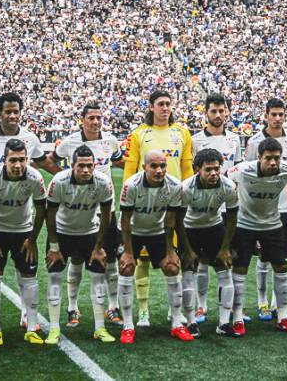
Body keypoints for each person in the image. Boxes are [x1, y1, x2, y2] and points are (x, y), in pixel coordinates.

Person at [0, 92, 59, 334]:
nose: (11, 116)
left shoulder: (29, 138)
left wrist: (64, 175)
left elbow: (43, 162)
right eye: (7, 111)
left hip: (22, 217)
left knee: (25, 270)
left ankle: (26, 316)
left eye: (15, 112)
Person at [122, 90, 193, 328]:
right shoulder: (139, 134)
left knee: (174, 257)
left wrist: (188, 200)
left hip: (172, 203)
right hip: (144, 204)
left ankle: (176, 313)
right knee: (141, 261)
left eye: (168, 104)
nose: (165, 108)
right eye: (160, 104)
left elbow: (187, 168)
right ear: (151, 107)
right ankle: (143, 311)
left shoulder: (182, 132)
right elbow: (130, 169)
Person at [50, 103, 124, 328]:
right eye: (91, 117)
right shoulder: (70, 141)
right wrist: (64, 176)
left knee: (110, 259)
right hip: (78, 210)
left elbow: (120, 160)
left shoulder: (109, 141)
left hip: (105, 210)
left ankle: (113, 306)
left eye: (99, 117)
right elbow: (52, 159)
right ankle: (73, 307)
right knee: (77, 257)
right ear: (82, 119)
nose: (95, 122)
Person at [0, 139, 49, 346]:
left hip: (23, 231)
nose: (18, 165)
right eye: (13, 160)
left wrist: (32, 240)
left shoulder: (35, 177)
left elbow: (42, 208)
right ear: (4, 160)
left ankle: (32, 327)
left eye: (22, 160)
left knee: (30, 276)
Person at [45, 145, 117, 343]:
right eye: (81, 166)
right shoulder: (59, 181)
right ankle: (53, 329)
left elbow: (106, 215)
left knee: (98, 278)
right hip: (62, 233)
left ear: (94, 165)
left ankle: (100, 328)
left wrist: (99, 246)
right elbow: (49, 214)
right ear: (71, 165)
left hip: (90, 233)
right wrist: (54, 247)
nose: (86, 170)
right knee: (54, 277)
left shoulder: (103, 182)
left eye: (89, 166)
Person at [227, 138, 287, 335]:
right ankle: (238, 317)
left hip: (272, 223)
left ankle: (283, 316)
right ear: (259, 158)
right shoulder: (242, 170)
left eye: (277, 158)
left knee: (281, 267)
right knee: (240, 268)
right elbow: (226, 180)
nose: (273, 163)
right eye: (268, 158)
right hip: (244, 224)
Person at [117, 150, 190, 344]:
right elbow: (125, 220)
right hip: (132, 230)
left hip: (157, 231)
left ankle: (176, 323)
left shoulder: (174, 186)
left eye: (163, 166)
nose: (159, 170)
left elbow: (170, 220)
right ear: (144, 167)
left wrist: (170, 251)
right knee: (127, 268)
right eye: (154, 166)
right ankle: (128, 326)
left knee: (172, 267)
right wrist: (128, 252)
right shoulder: (131, 185)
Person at [189, 93, 242, 323]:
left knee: (227, 259)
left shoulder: (235, 139)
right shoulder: (196, 140)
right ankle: (201, 306)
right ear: (206, 113)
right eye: (214, 111)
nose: (218, 115)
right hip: (202, 208)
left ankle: (231, 309)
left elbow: (238, 172)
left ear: (227, 112)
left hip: (226, 204)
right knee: (201, 260)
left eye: (222, 111)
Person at [244, 98, 287, 322]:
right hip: (261, 208)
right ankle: (261, 301)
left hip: (285, 208)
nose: (277, 118)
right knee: (262, 258)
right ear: (265, 115)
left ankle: (278, 303)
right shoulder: (255, 141)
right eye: (273, 114)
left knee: (280, 257)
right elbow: (246, 172)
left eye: (281, 114)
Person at [181, 148, 239, 337]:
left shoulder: (228, 186)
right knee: (188, 272)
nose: (214, 173)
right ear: (198, 169)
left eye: (217, 168)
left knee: (225, 270)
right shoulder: (186, 188)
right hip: (190, 229)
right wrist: (187, 249)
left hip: (214, 227)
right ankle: (190, 322)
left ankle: (223, 323)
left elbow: (232, 217)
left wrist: (225, 248)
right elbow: (176, 221)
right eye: (208, 170)